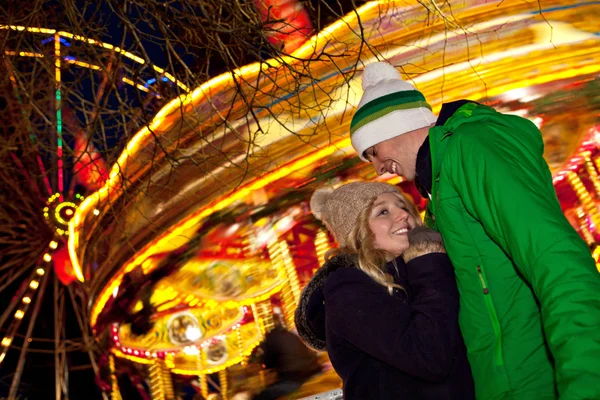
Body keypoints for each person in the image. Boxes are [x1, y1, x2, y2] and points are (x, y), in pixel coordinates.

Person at [349, 61, 600, 399]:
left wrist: (586, 381)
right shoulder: (438, 196)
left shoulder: (471, 148)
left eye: (374, 152)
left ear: (395, 126)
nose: (379, 168)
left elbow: (556, 260)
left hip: (535, 381)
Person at [295, 181, 474, 400]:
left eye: (403, 206)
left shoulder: (419, 269)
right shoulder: (348, 290)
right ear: (358, 233)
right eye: (383, 212)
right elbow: (429, 357)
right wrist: (429, 265)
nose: (403, 214)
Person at [253, 313, 322, 400]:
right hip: (310, 370)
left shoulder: (272, 337)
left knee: (263, 396)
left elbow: (268, 361)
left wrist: (263, 362)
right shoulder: (290, 335)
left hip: (295, 377)